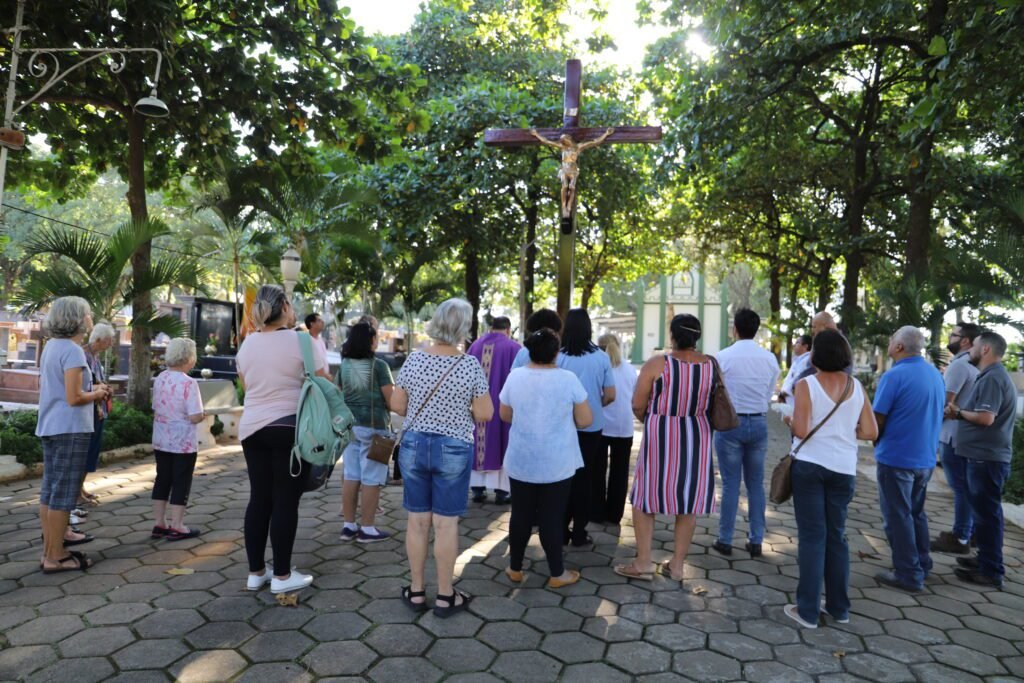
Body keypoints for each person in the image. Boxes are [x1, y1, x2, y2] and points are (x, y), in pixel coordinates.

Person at [391, 298, 493, 617]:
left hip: (415, 446)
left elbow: (397, 405)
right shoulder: (470, 365)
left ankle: (418, 591)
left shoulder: (415, 360)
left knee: (418, 521)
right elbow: (485, 413)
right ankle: (447, 596)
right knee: (446, 524)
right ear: (464, 327)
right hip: (453, 447)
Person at [236, 284, 330, 594]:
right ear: (286, 306)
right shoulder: (304, 341)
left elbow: (248, 386)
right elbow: (323, 383)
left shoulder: (247, 345)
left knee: (259, 498)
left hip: (252, 429)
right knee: (286, 500)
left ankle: (256, 573)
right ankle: (282, 576)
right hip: (291, 428)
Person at [783, 329, 877, 629]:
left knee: (813, 537)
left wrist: (787, 418)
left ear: (815, 355)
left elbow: (799, 429)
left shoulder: (806, 384)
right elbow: (871, 432)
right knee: (837, 536)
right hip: (843, 468)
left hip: (810, 466)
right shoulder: (856, 386)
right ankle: (840, 608)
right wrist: (845, 431)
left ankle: (808, 610)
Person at [615, 314, 716, 582]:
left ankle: (644, 562)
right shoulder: (711, 365)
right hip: (697, 435)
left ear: (672, 335)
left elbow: (638, 404)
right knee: (688, 501)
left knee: (646, 496)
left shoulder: (657, 364)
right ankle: (678, 565)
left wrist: (655, 419)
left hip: (661, 435)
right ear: (697, 336)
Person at [500, 328, 592, 588]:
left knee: (520, 514)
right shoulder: (568, 379)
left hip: (521, 458)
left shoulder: (515, 376)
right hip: (557, 460)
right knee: (552, 516)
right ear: (557, 352)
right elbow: (586, 420)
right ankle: (556, 572)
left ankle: (514, 567)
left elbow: (505, 415)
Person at [36, 296, 111, 573]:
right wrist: (98, 393)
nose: (91, 318)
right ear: (76, 319)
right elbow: (74, 396)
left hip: (52, 426)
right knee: (64, 495)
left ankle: (49, 552)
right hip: (70, 428)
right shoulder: (73, 350)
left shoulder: (52, 347)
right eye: (88, 314)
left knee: (50, 493)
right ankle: (56, 556)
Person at [871, 326, 945, 592]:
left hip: (897, 458)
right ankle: (922, 564)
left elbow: (877, 419)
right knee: (916, 514)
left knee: (897, 517)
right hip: (924, 458)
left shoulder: (894, 376)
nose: (889, 343)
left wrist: (873, 439)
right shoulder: (935, 375)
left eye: (892, 340)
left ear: (899, 347)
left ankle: (908, 573)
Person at [947, 331, 1018, 589]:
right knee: (984, 514)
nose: (969, 352)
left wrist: (958, 412)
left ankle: (991, 570)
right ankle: (986, 560)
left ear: (985, 350)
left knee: (988, 515)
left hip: (986, 459)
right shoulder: (989, 376)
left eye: (974, 347)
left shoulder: (993, 378)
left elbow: (986, 418)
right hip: (982, 457)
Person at [712, 308, 780, 557]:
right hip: (759, 423)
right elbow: (769, 391)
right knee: (755, 484)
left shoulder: (722, 356)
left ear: (735, 329)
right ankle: (756, 540)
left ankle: (725, 539)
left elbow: (716, 392)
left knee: (730, 484)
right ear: (756, 329)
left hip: (730, 423)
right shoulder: (770, 359)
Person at [558, 308, 615, 546]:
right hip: (592, 428)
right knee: (585, 478)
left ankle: (559, 529)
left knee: (562, 478)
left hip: (562, 426)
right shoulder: (601, 357)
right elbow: (611, 395)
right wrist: (592, 405)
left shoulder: (557, 356)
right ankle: (580, 531)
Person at [337, 322, 394, 543]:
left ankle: (348, 526)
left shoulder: (345, 366)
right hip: (375, 429)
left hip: (350, 427)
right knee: (371, 478)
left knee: (351, 475)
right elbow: (390, 399)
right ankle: (368, 529)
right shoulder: (379, 366)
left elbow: (339, 394)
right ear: (370, 341)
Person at [931, 322, 981, 554]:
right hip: (965, 435)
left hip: (953, 436)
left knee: (961, 488)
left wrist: (928, 428)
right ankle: (968, 534)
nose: (948, 338)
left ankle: (961, 536)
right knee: (966, 487)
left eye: (953, 334)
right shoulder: (975, 365)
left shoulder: (959, 366)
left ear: (964, 341)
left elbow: (945, 403)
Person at [151, 338, 205, 541]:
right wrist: (203, 415)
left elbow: (156, 407)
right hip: (182, 442)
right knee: (181, 480)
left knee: (162, 478)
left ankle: (159, 523)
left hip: (161, 438)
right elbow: (194, 416)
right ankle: (178, 525)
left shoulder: (160, 378)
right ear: (189, 358)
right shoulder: (189, 383)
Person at [467, 316, 521, 505]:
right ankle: (501, 492)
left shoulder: (475, 346)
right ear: (508, 329)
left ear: (492, 328)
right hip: (501, 407)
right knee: (501, 442)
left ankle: (477, 490)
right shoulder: (514, 348)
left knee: (477, 443)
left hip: (476, 406)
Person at [597, 332, 637, 525]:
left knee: (597, 470)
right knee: (620, 473)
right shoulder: (630, 370)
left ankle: (595, 512)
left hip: (601, 426)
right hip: (624, 426)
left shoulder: (598, 368)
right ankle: (614, 515)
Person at [78, 322, 116, 510]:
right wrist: (101, 387)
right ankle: (76, 492)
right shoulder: (82, 355)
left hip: (98, 409)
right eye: (109, 340)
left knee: (92, 451)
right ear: (99, 339)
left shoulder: (95, 355)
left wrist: (105, 387)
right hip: (88, 409)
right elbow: (85, 384)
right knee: (86, 451)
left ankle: (81, 488)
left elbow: (97, 379)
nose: (111, 343)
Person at [778, 334, 812, 405]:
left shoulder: (805, 361)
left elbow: (796, 381)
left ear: (805, 346)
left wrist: (783, 394)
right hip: (789, 401)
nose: (794, 345)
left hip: (794, 402)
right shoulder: (799, 360)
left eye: (797, 342)